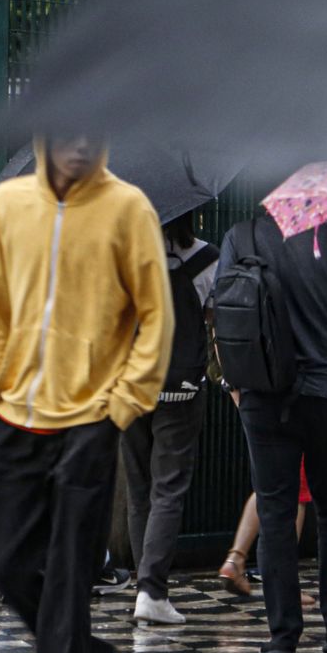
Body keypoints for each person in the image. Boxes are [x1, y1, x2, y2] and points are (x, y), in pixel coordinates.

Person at [0, 135, 170, 653]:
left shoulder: (129, 209)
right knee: (8, 565)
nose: (79, 144)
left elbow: (156, 316)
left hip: (89, 424)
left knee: (67, 581)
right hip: (12, 420)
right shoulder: (10, 205)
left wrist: (122, 406)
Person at [217, 212, 327, 653]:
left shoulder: (239, 235)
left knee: (275, 512)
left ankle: (283, 636)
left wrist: (236, 388)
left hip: (264, 393)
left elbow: (225, 314)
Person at [123, 212, 219, 625]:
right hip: (179, 388)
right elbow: (213, 317)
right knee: (168, 486)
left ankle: (141, 580)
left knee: (138, 486)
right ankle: (152, 589)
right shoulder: (206, 258)